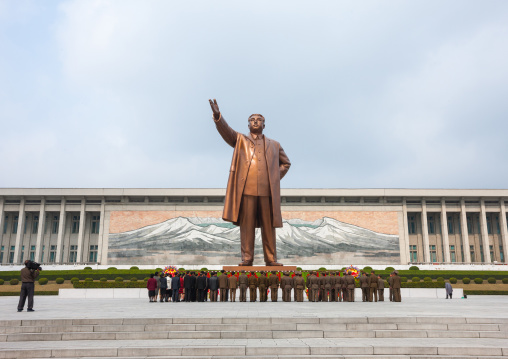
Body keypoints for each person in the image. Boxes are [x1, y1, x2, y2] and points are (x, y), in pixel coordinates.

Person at [209, 99, 291, 266]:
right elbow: (227, 132)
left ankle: (271, 259)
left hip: (267, 192)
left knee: (269, 227)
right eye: (252, 120)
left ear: (264, 125)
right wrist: (218, 116)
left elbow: (286, 163)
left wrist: (274, 177)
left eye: (259, 120)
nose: (255, 122)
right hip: (247, 190)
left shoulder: (275, 145)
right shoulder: (240, 140)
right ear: (248, 125)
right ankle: (247, 258)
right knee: (247, 227)